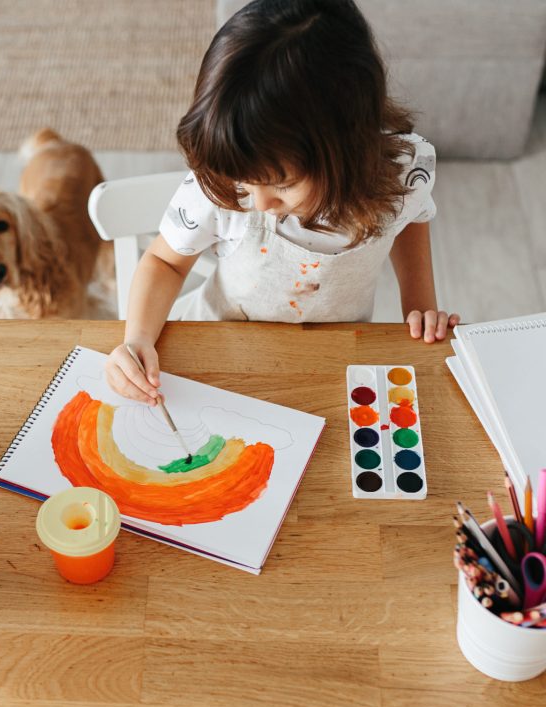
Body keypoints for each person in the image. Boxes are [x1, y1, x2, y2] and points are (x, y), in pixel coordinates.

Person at [106, 0, 459, 405]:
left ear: (346, 148)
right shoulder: (227, 187)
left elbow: (410, 218)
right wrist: (136, 339)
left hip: (332, 366)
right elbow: (165, 262)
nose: (258, 203)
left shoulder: (403, 173)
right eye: (247, 182)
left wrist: (418, 306)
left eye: (280, 184)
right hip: (218, 354)